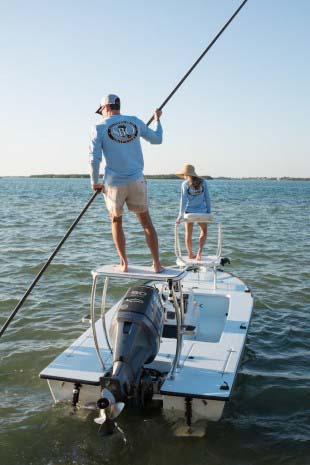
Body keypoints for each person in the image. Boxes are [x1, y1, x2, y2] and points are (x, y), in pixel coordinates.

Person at [89, 94, 164, 273]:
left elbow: (94, 158)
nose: (102, 115)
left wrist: (94, 182)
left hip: (114, 183)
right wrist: (157, 121)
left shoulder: (99, 128)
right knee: (146, 221)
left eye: (101, 111)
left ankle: (124, 264)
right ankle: (157, 264)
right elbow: (157, 139)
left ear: (105, 108)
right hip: (137, 180)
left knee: (116, 221)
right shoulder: (135, 122)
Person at [176, 164, 211, 261]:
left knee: (188, 233)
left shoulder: (184, 184)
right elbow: (207, 198)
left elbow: (183, 201)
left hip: (189, 212)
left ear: (186, 174)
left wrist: (180, 215)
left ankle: (190, 254)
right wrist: (209, 212)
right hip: (202, 212)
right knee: (204, 231)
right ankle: (199, 253)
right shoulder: (203, 182)